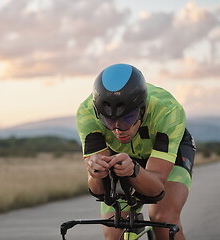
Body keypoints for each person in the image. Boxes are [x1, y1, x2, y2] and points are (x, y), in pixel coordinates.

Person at [76, 63, 195, 240]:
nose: (118, 130)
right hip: (122, 156)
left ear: (142, 109)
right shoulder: (86, 113)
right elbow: (98, 191)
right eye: (109, 121)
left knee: (164, 219)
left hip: (169, 154)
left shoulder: (168, 110)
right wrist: (95, 173)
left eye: (127, 119)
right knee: (113, 231)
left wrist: (134, 171)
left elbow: (156, 188)